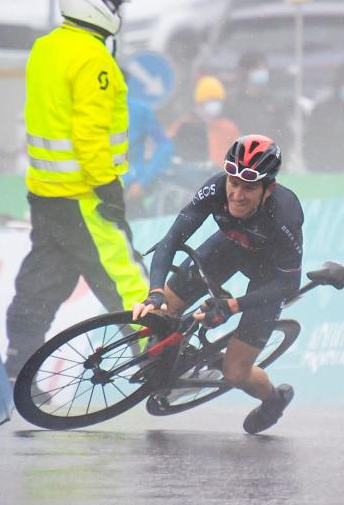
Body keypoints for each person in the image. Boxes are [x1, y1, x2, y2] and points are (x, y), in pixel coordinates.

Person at [2, 0, 149, 382]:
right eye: (115, 5)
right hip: (85, 194)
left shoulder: (45, 48)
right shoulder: (92, 58)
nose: (119, 13)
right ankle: (155, 352)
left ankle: (18, 360)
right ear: (98, 6)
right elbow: (89, 134)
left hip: (46, 194)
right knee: (125, 277)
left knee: (42, 280)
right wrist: (107, 185)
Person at [132, 134, 302, 434]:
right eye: (233, 182)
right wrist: (155, 292)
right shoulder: (214, 188)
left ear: (268, 189)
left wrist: (233, 306)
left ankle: (274, 400)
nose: (237, 194)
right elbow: (171, 239)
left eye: (248, 187)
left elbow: (288, 283)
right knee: (162, 310)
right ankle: (177, 358)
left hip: (268, 276)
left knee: (236, 373)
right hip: (228, 248)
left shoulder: (285, 214)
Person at [121, 88, 175, 218]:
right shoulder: (87, 112)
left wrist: (143, 181)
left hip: (131, 193)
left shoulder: (138, 111)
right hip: (99, 195)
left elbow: (165, 145)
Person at [168, 75, 240, 164]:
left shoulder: (228, 128)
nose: (216, 104)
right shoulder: (184, 125)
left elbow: (239, 156)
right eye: (211, 100)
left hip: (221, 175)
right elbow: (168, 148)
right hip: (193, 173)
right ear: (200, 102)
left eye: (218, 100)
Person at [228, 50, 291, 144]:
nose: (263, 72)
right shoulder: (232, 101)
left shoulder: (274, 101)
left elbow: (284, 135)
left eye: (265, 68)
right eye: (258, 68)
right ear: (245, 71)